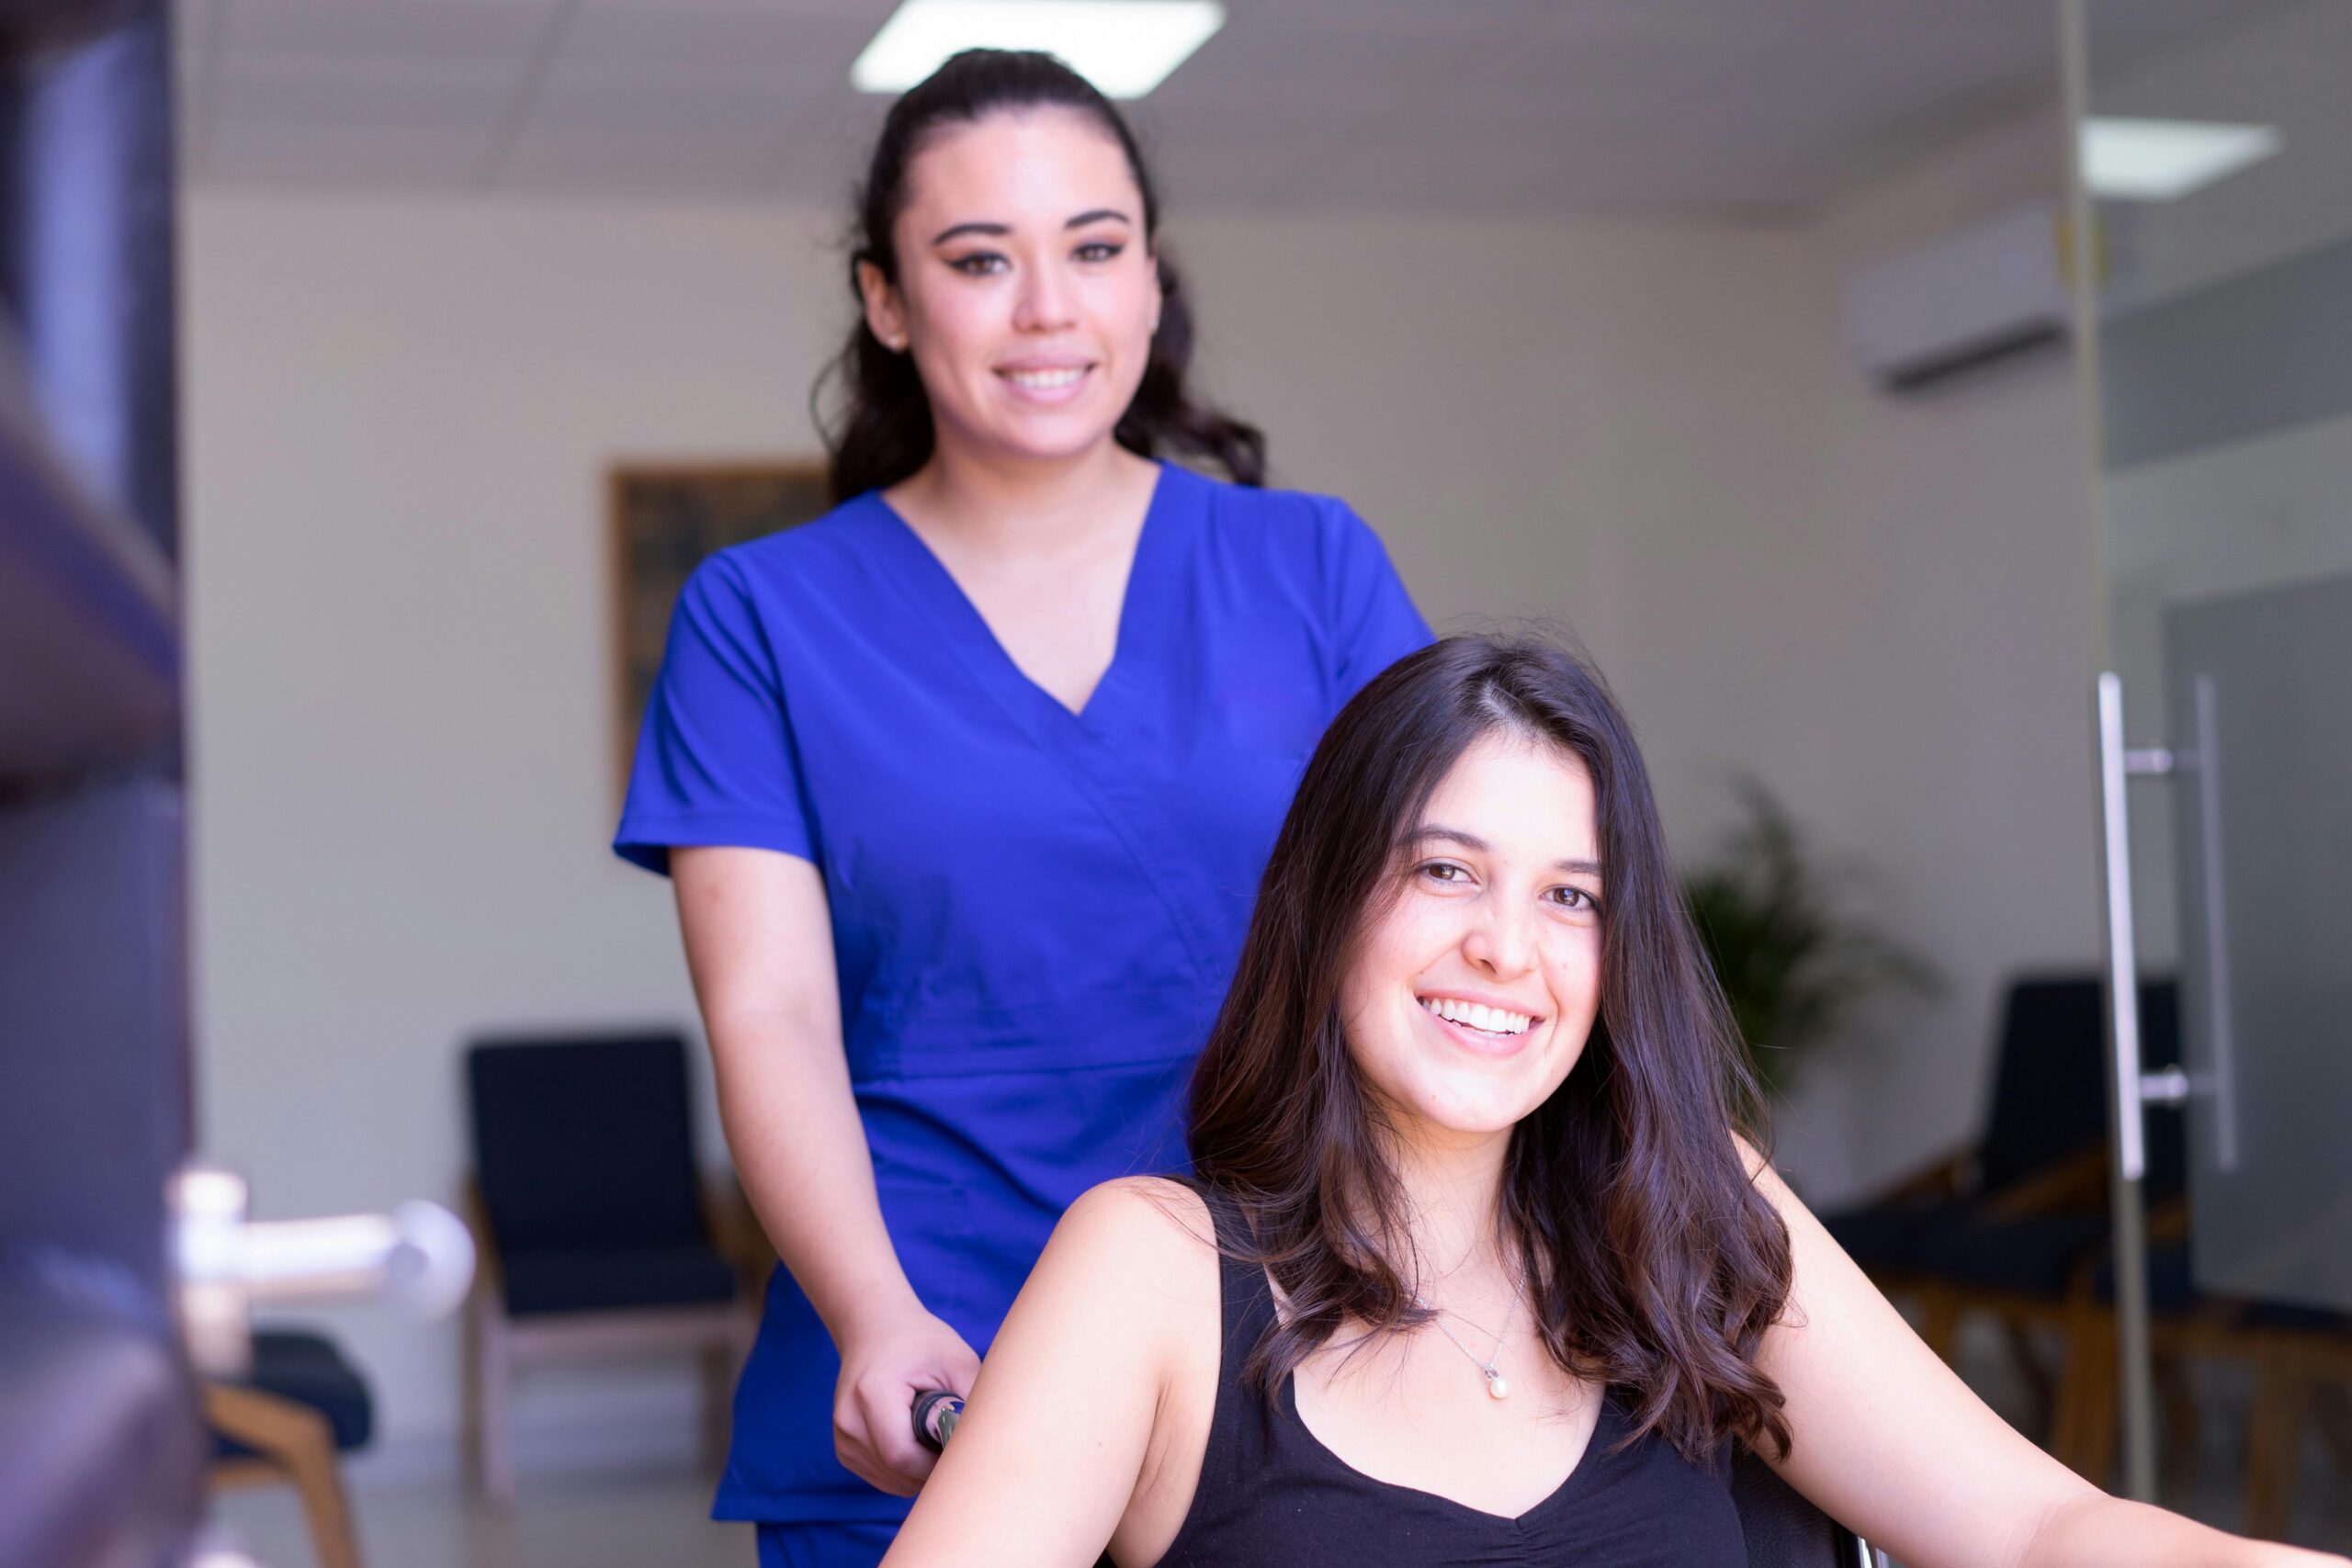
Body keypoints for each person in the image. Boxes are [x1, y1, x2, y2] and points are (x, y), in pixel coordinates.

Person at [880, 636, 2347, 1568]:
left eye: (1570, 896)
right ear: (1327, 905)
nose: (1505, 949)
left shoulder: (1691, 1209)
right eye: (1445, 870)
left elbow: (2036, 1530)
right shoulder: (1152, 1270)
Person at [611, 48, 1430, 1567]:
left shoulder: (1313, 571)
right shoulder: (760, 618)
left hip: (1290, 1352)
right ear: (887, 301)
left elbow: (1439, 940)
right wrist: (871, 1311)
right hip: (926, 1375)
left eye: (1095, 249)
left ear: (1148, 281)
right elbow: (769, 1017)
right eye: (979, 259)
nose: (1049, 307)